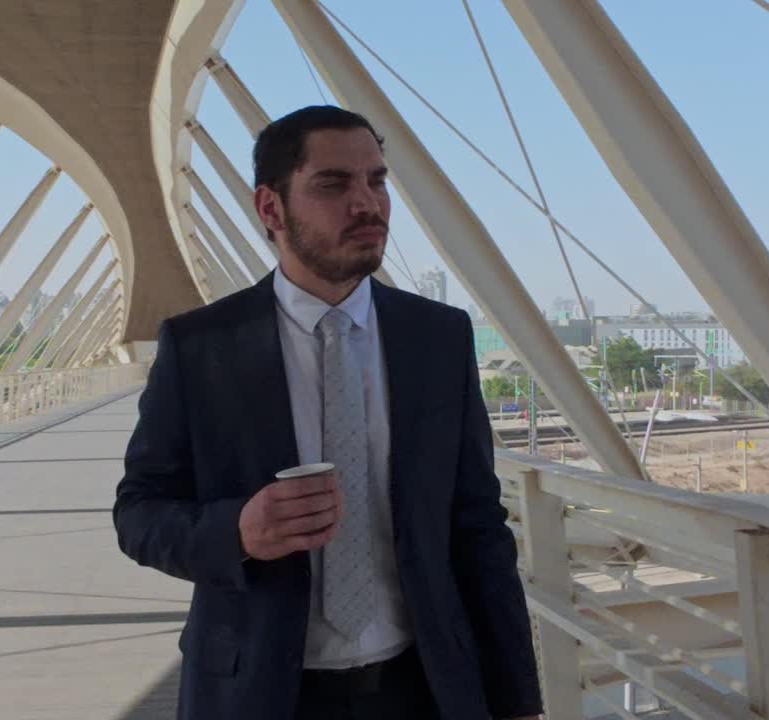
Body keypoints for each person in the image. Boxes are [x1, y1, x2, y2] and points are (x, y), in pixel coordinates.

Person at [114, 105, 543, 720]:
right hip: (258, 692)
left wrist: (517, 700)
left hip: (425, 689)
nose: (367, 204)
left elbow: (478, 526)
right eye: (333, 185)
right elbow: (138, 513)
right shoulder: (200, 347)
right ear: (271, 209)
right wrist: (238, 532)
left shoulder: (439, 337)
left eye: (377, 180)